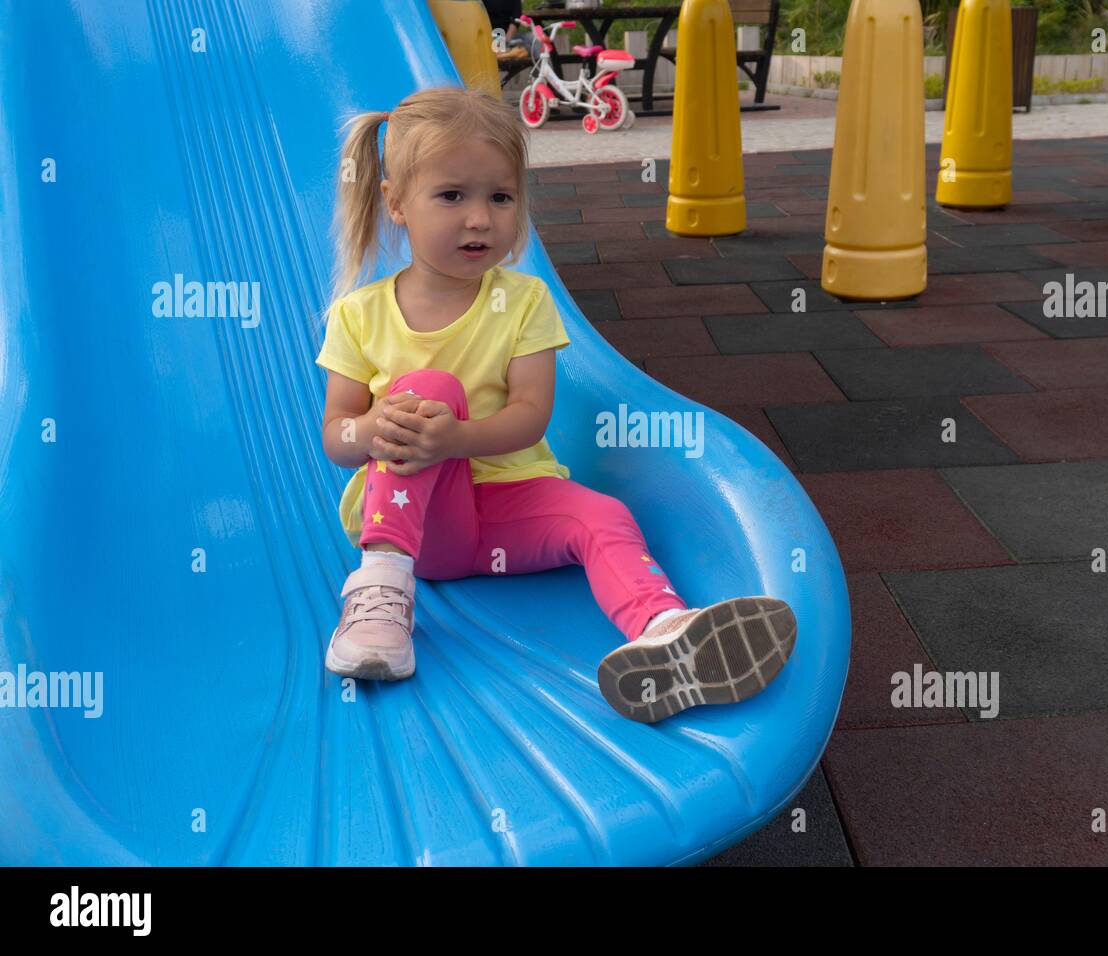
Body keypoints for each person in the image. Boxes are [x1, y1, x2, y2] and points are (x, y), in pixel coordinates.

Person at [316, 87, 796, 723]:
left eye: (501, 196)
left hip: (506, 513)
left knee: (602, 514)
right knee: (429, 391)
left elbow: (528, 417)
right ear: (396, 203)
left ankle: (666, 633)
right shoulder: (360, 314)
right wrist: (376, 428)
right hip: (419, 529)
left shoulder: (522, 301)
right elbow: (336, 436)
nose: (481, 218)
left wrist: (455, 439)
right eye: (452, 196)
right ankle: (380, 590)